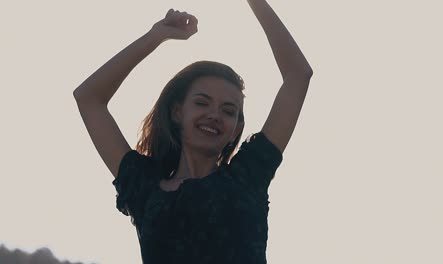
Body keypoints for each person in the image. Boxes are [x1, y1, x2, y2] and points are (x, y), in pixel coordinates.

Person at [73, 1, 312, 263]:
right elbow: (88, 97)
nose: (214, 115)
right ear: (178, 112)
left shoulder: (248, 177)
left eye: (228, 110)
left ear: (236, 130)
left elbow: (298, 75)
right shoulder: (144, 187)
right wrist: (156, 36)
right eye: (202, 103)